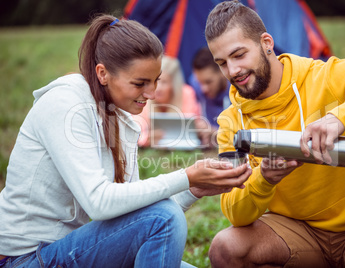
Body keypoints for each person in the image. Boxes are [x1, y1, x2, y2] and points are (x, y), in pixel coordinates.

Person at [0, 15, 252, 268]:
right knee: (162, 217)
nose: (152, 94)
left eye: (155, 80)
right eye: (140, 83)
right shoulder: (65, 104)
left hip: (69, 251)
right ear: (103, 74)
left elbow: (135, 215)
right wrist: (186, 175)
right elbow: (100, 203)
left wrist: (193, 189)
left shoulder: (121, 119)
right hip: (23, 259)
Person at [204, 1, 345, 267]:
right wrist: (263, 179)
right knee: (225, 248)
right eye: (222, 63)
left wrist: (341, 116)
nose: (232, 71)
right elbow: (234, 212)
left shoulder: (326, 76)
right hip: (297, 233)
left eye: (239, 55)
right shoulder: (231, 122)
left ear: (266, 43)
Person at [133, 55, 201, 147]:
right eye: (156, 81)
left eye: (164, 82)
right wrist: (147, 138)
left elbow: (192, 126)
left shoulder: (187, 93)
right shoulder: (145, 96)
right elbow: (134, 130)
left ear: (174, 84)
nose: (158, 88)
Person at [189, 47, 231, 147]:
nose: (204, 89)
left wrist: (216, 133)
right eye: (200, 82)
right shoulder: (195, 85)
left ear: (222, 71)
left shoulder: (237, 91)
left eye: (208, 82)